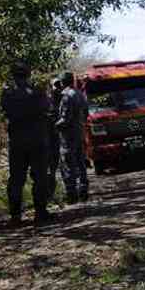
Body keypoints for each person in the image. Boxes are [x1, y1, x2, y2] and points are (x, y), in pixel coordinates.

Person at [1, 62, 53, 225]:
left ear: (13, 75)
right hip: (37, 140)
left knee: (16, 179)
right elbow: (47, 109)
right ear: (28, 74)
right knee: (39, 177)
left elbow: (5, 110)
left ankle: (15, 216)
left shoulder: (7, 94)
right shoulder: (37, 92)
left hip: (17, 142)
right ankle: (40, 213)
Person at [56, 71, 89, 204]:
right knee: (81, 162)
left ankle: (72, 194)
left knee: (68, 164)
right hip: (79, 133)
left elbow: (65, 119)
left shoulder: (66, 96)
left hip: (68, 136)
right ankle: (83, 189)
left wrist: (54, 126)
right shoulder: (80, 94)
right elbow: (86, 113)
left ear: (63, 82)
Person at [47, 78, 64, 202]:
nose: (57, 88)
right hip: (51, 138)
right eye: (55, 85)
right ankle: (51, 196)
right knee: (52, 168)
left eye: (59, 85)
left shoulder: (65, 98)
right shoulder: (48, 101)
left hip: (61, 137)